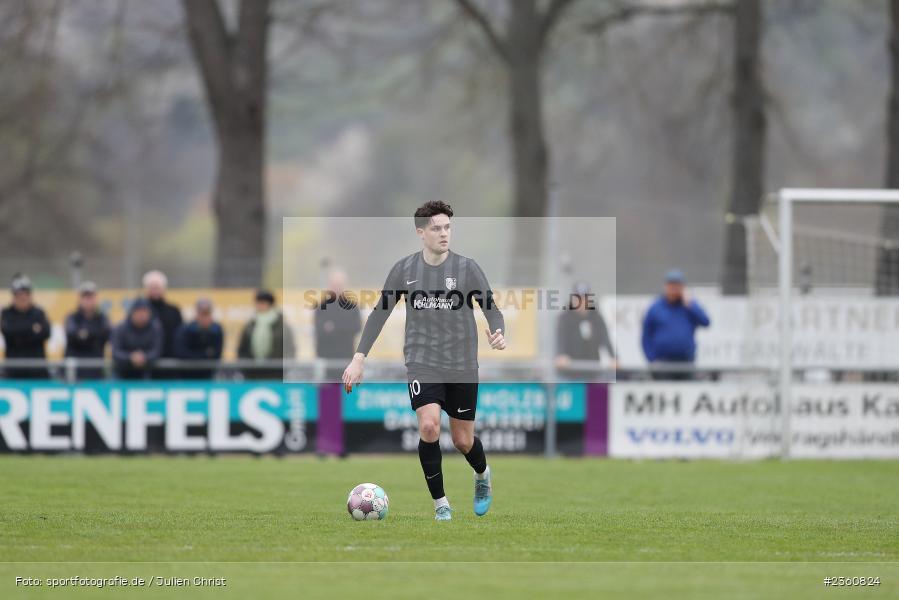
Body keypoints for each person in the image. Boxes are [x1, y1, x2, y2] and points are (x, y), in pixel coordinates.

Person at [342, 200, 506, 522]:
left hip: (461, 364)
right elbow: (380, 314)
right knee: (429, 426)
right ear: (421, 232)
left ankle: (482, 474)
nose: (444, 234)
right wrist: (358, 359)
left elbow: (492, 309)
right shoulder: (404, 270)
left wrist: (498, 331)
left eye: (447, 227)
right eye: (436, 228)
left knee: (462, 440)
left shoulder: (467, 269)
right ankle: (440, 503)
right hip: (422, 360)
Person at [641, 269, 711, 380]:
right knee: (664, 394)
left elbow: (706, 322)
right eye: (671, 285)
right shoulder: (655, 308)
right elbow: (646, 336)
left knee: (687, 394)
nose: (674, 289)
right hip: (662, 363)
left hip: (686, 362)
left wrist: (690, 305)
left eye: (677, 285)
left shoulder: (688, 305)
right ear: (665, 287)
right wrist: (652, 359)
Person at [555, 281, 617, 380]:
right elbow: (560, 339)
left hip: (592, 371)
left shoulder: (596, 317)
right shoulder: (565, 318)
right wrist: (561, 355)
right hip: (570, 373)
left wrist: (613, 357)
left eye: (584, 299)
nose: (581, 302)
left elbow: (605, 338)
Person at [314, 269, 361, 382]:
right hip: (325, 358)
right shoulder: (321, 307)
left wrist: (333, 327)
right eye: (334, 285)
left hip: (346, 358)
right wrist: (342, 328)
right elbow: (320, 329)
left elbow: (355, 327)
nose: (336, 288)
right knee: (326, 393)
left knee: (346, 392)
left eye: (339, 285)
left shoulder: (352, 307)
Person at [237, 290, 296, 380]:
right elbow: (242, 348)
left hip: (276, 372)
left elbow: (289, 348)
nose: (259, 306)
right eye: (258, 302)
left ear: (270, 304)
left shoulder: (282, 326)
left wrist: (285, 367)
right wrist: (245, 366)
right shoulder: (250, 325)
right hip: (252, 373)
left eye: (263, 303)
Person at [1, 274, 51, 379]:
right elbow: (8, 331)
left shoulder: (39, 312)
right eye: (19, 295)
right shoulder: (7, 313)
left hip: (38, 372)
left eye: (26, 294)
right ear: (14, 296)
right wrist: (32, 329)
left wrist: (19, 331)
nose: (23, 298)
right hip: (14, 372)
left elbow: (46, 333)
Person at [64, 281, 111, 379]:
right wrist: (93, 336)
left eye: (91, 297)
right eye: (86, 297)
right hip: (76, 372)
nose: (88, 300)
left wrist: (84, 334)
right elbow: (72, 335)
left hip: (96, 370)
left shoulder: (102, 318)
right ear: (80, 299)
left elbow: (105, 335)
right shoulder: (72, 317)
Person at [143, 270, 183, 377]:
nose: (155, 290)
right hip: (146, 367)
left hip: (170, 365)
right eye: (152, 287)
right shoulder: (140, 311)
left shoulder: (173, 311)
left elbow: (179, 336)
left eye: (158, 287)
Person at [111, 298, 163, 380]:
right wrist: (130, 357)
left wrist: (144, 357)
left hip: (146, 372)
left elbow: (156, 351)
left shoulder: (155, 328)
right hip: (121, 372)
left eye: (145, 311)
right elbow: (115, 352)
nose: (142, 314)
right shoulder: (120, 328)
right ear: (132, 313)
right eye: (139, 311)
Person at [174, 298, 223, 379]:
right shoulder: (185, 330)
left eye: (207, 314)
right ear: (196, 314)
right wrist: (206, 354)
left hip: (208, 376)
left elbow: (217, 354)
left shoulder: (216, 330)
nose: (204, 318)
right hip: (186, 376)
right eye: (202, 314)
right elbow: (181, 353)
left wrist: (194, 355)